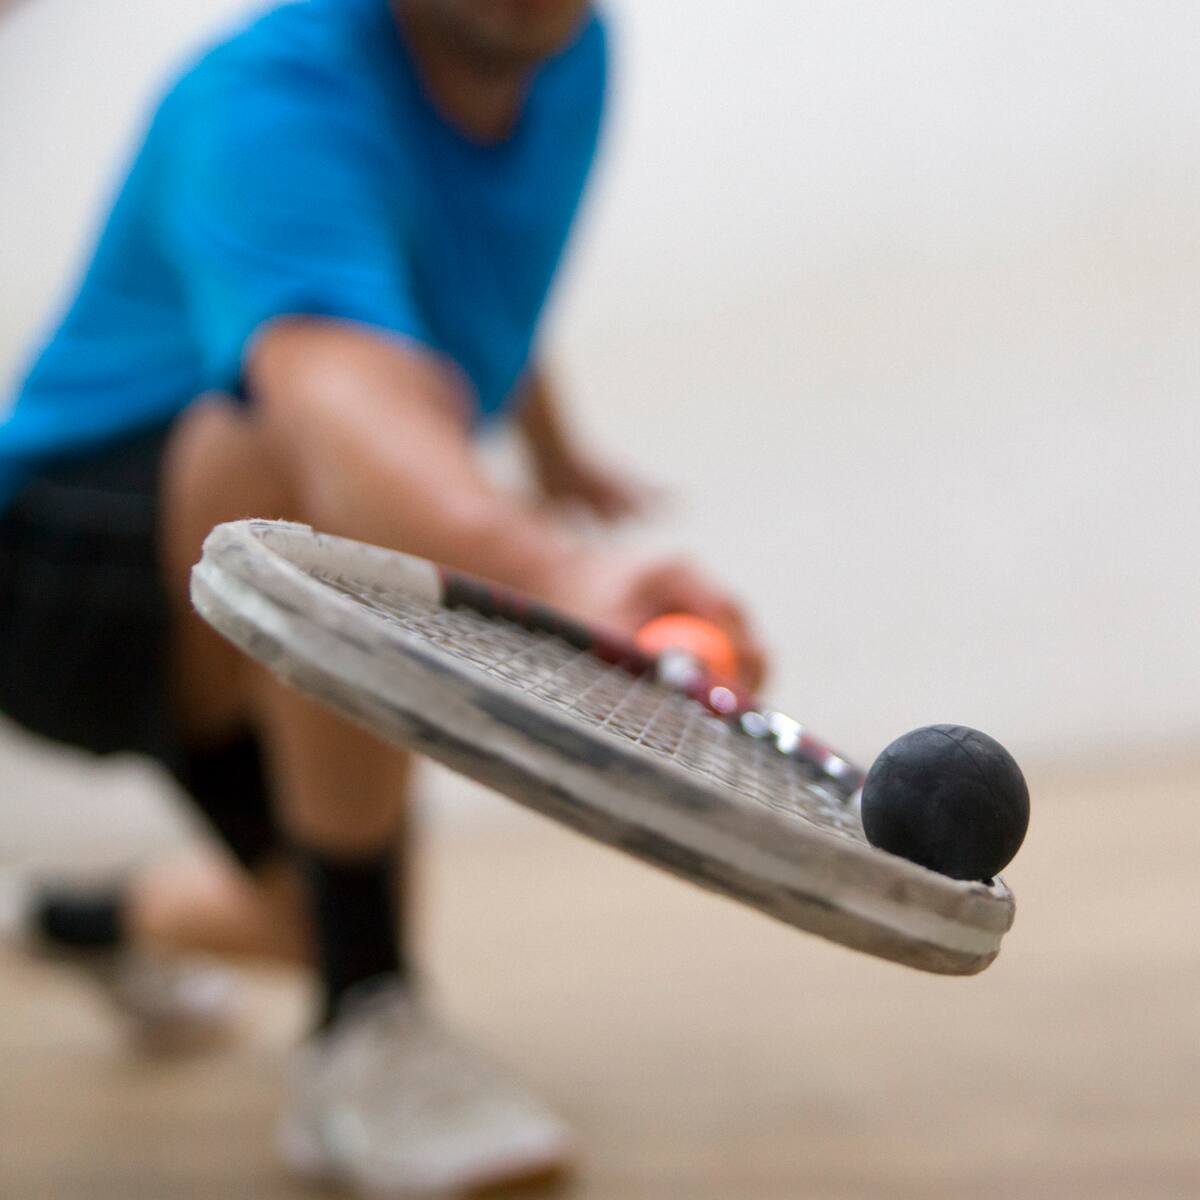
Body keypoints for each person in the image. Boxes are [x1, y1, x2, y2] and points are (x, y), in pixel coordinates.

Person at [0, 0, 763, 1192]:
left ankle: (78, 924)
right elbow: (331, 386)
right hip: (57, 577)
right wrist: (558, 575)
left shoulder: (567, 55)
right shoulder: (263, 104)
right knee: (280, 449)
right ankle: (363, 1034)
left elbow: (461, 276)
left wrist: (552, 447)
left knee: (305, 913)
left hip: (262, 525)